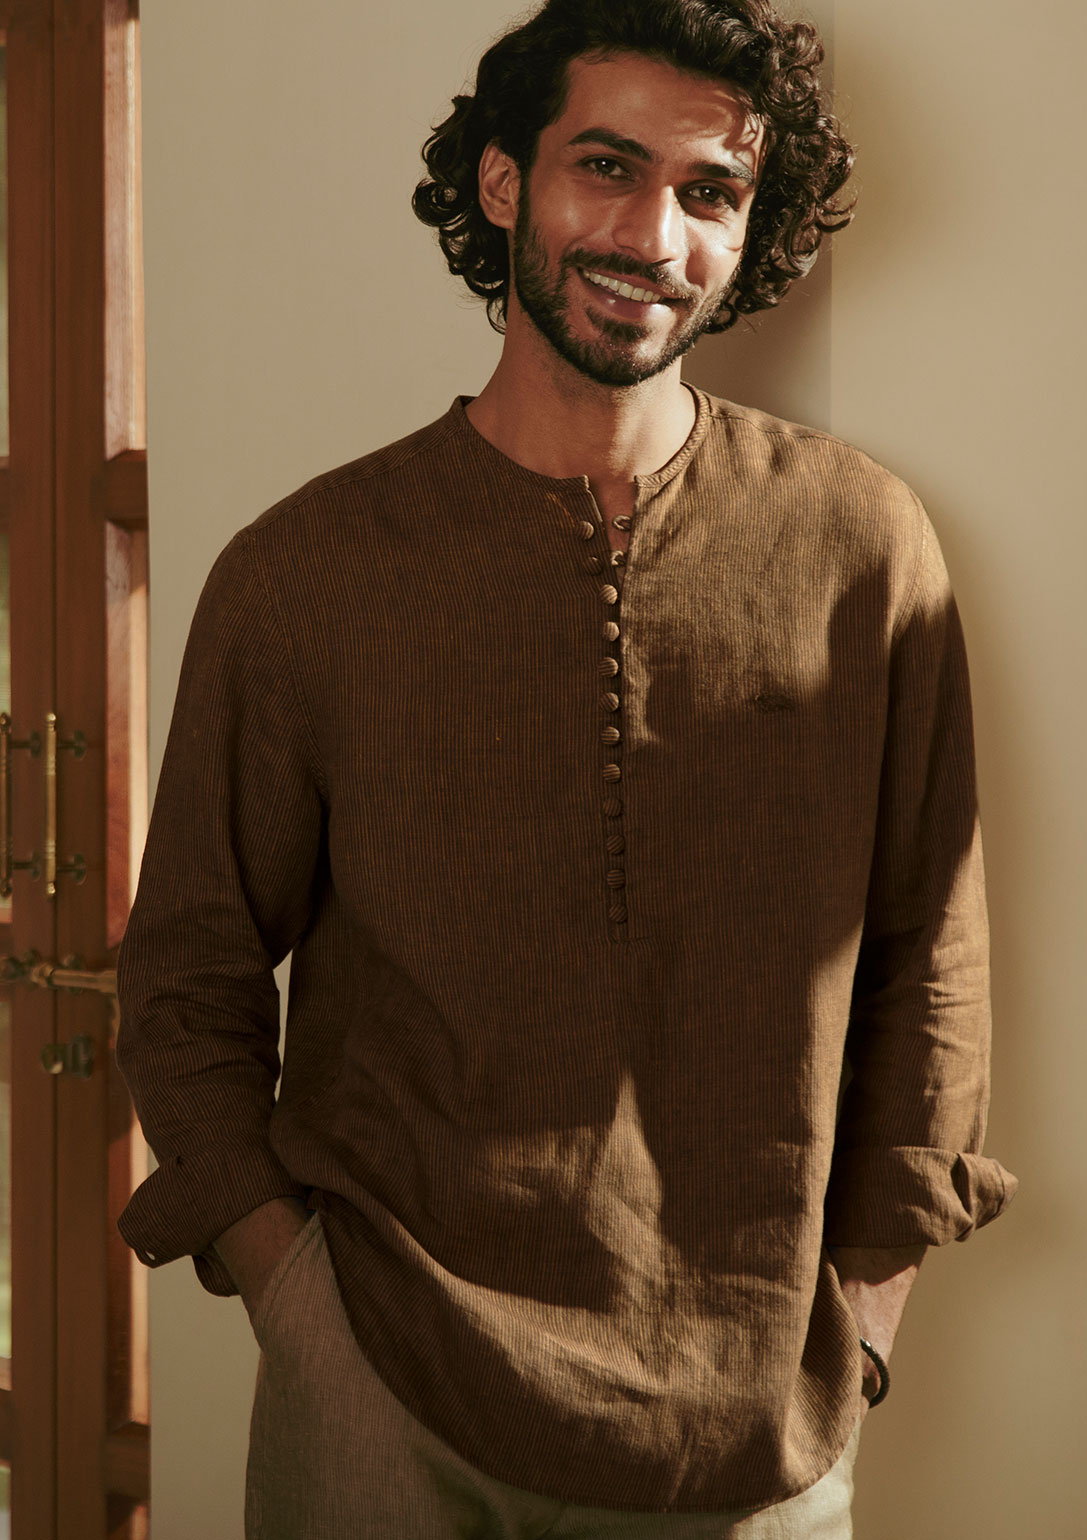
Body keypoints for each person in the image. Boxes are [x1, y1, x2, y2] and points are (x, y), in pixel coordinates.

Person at [116, 2, 1017, 1535]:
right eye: (607, 166)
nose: (654, 235)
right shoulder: (305, 571)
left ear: (751, 228)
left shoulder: (864, 546)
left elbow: (935, 954)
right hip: (381, 1395)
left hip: (754, 1427)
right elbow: (186, 969)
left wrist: (863, 1321)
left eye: (710, 191)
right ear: (500, 180)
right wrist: (300, 1308)